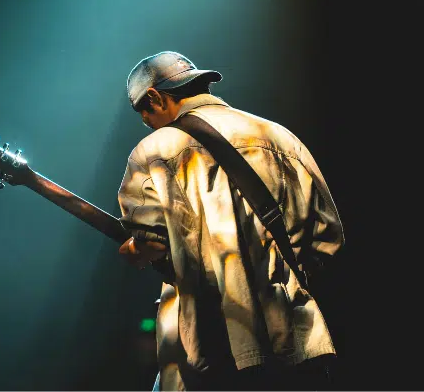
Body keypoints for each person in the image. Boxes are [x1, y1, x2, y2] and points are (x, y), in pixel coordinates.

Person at [116, 51, 345, 390]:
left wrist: (135, 250)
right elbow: (328, 238)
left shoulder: (153, 152)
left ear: (154, 97)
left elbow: (152, 243)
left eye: (144, 115)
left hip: (212, 352)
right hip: (296, 344)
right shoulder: (280, 137)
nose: (147, 124)